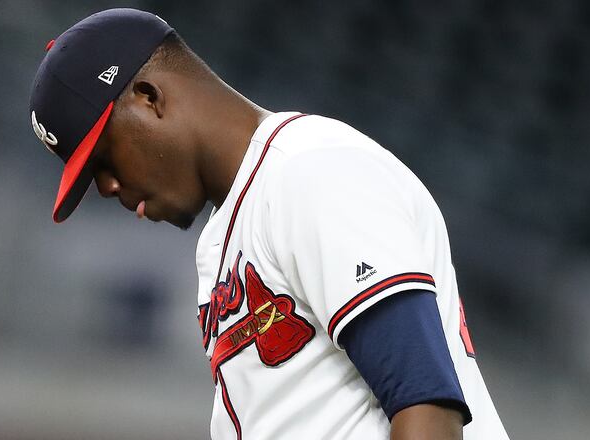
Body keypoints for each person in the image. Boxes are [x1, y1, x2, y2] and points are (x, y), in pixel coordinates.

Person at [28, 8, 509, 440]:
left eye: (104, 160)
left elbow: (426, 409)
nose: (107, 187)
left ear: (149, 97)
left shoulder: (311, 169)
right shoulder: (232, 229)